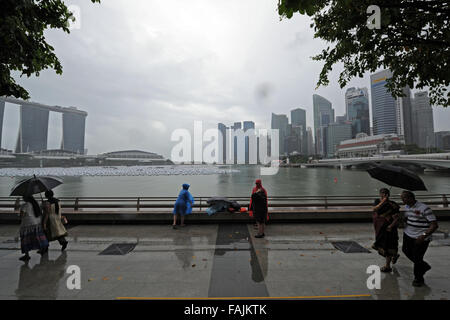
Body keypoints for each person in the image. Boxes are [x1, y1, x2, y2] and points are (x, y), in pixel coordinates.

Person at [401, 190, 439, 287]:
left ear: (411, 198)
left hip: (420, 237)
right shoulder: (406, 207)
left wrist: (424, 235)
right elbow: (406, 219)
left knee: (417, 257)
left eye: (403, 197)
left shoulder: (424, 208)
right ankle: (424, 266)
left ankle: (418, 278)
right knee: (405, 250)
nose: (402, 199)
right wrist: (400, 221)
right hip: (408, 234)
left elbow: (434, 225)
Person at [372, 188, 400, 272]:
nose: (384, 194)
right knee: (377, 245)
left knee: (389, 245)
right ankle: (394, 255)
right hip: (380, 227)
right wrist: (383, 201)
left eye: (386, 193)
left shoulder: (393, 204)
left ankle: (387, 266)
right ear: (380, 194)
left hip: (390, 228)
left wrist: (391, 225)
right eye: (382, 193)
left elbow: (397, 217)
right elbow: (375, 209)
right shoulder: (377, 201)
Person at [18, 195, 49, 261]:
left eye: (23, 197)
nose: (22, 198)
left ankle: (27, 256)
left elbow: (21, 216)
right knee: (38, 238)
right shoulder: (36, 203)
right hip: (37, 223)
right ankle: (43, 249)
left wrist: (19, 214)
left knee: (25, 240)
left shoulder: (25, 205)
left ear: (26, 198)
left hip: (27, 224)